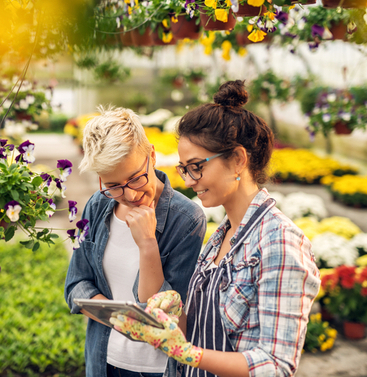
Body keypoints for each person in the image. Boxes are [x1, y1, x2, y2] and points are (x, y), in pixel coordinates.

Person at [111, 81, 321, 377]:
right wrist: (171, 315)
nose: (188, 180)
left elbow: (276, 364)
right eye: (184, 168)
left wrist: (186, 353)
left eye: (197, 166)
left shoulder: (280, 243)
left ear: (237, 160)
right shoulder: (220, 238)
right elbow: (196, 333)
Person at [64, 106, 207, 377]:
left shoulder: (186, 220)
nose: (129, 195)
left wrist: (147, 245)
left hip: (155, 369)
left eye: (135, 179)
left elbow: (164, 317)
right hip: (102, 360)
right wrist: (121, 321)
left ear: (151, 155)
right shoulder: (98, 205)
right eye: (114, 185)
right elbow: (75, 284)